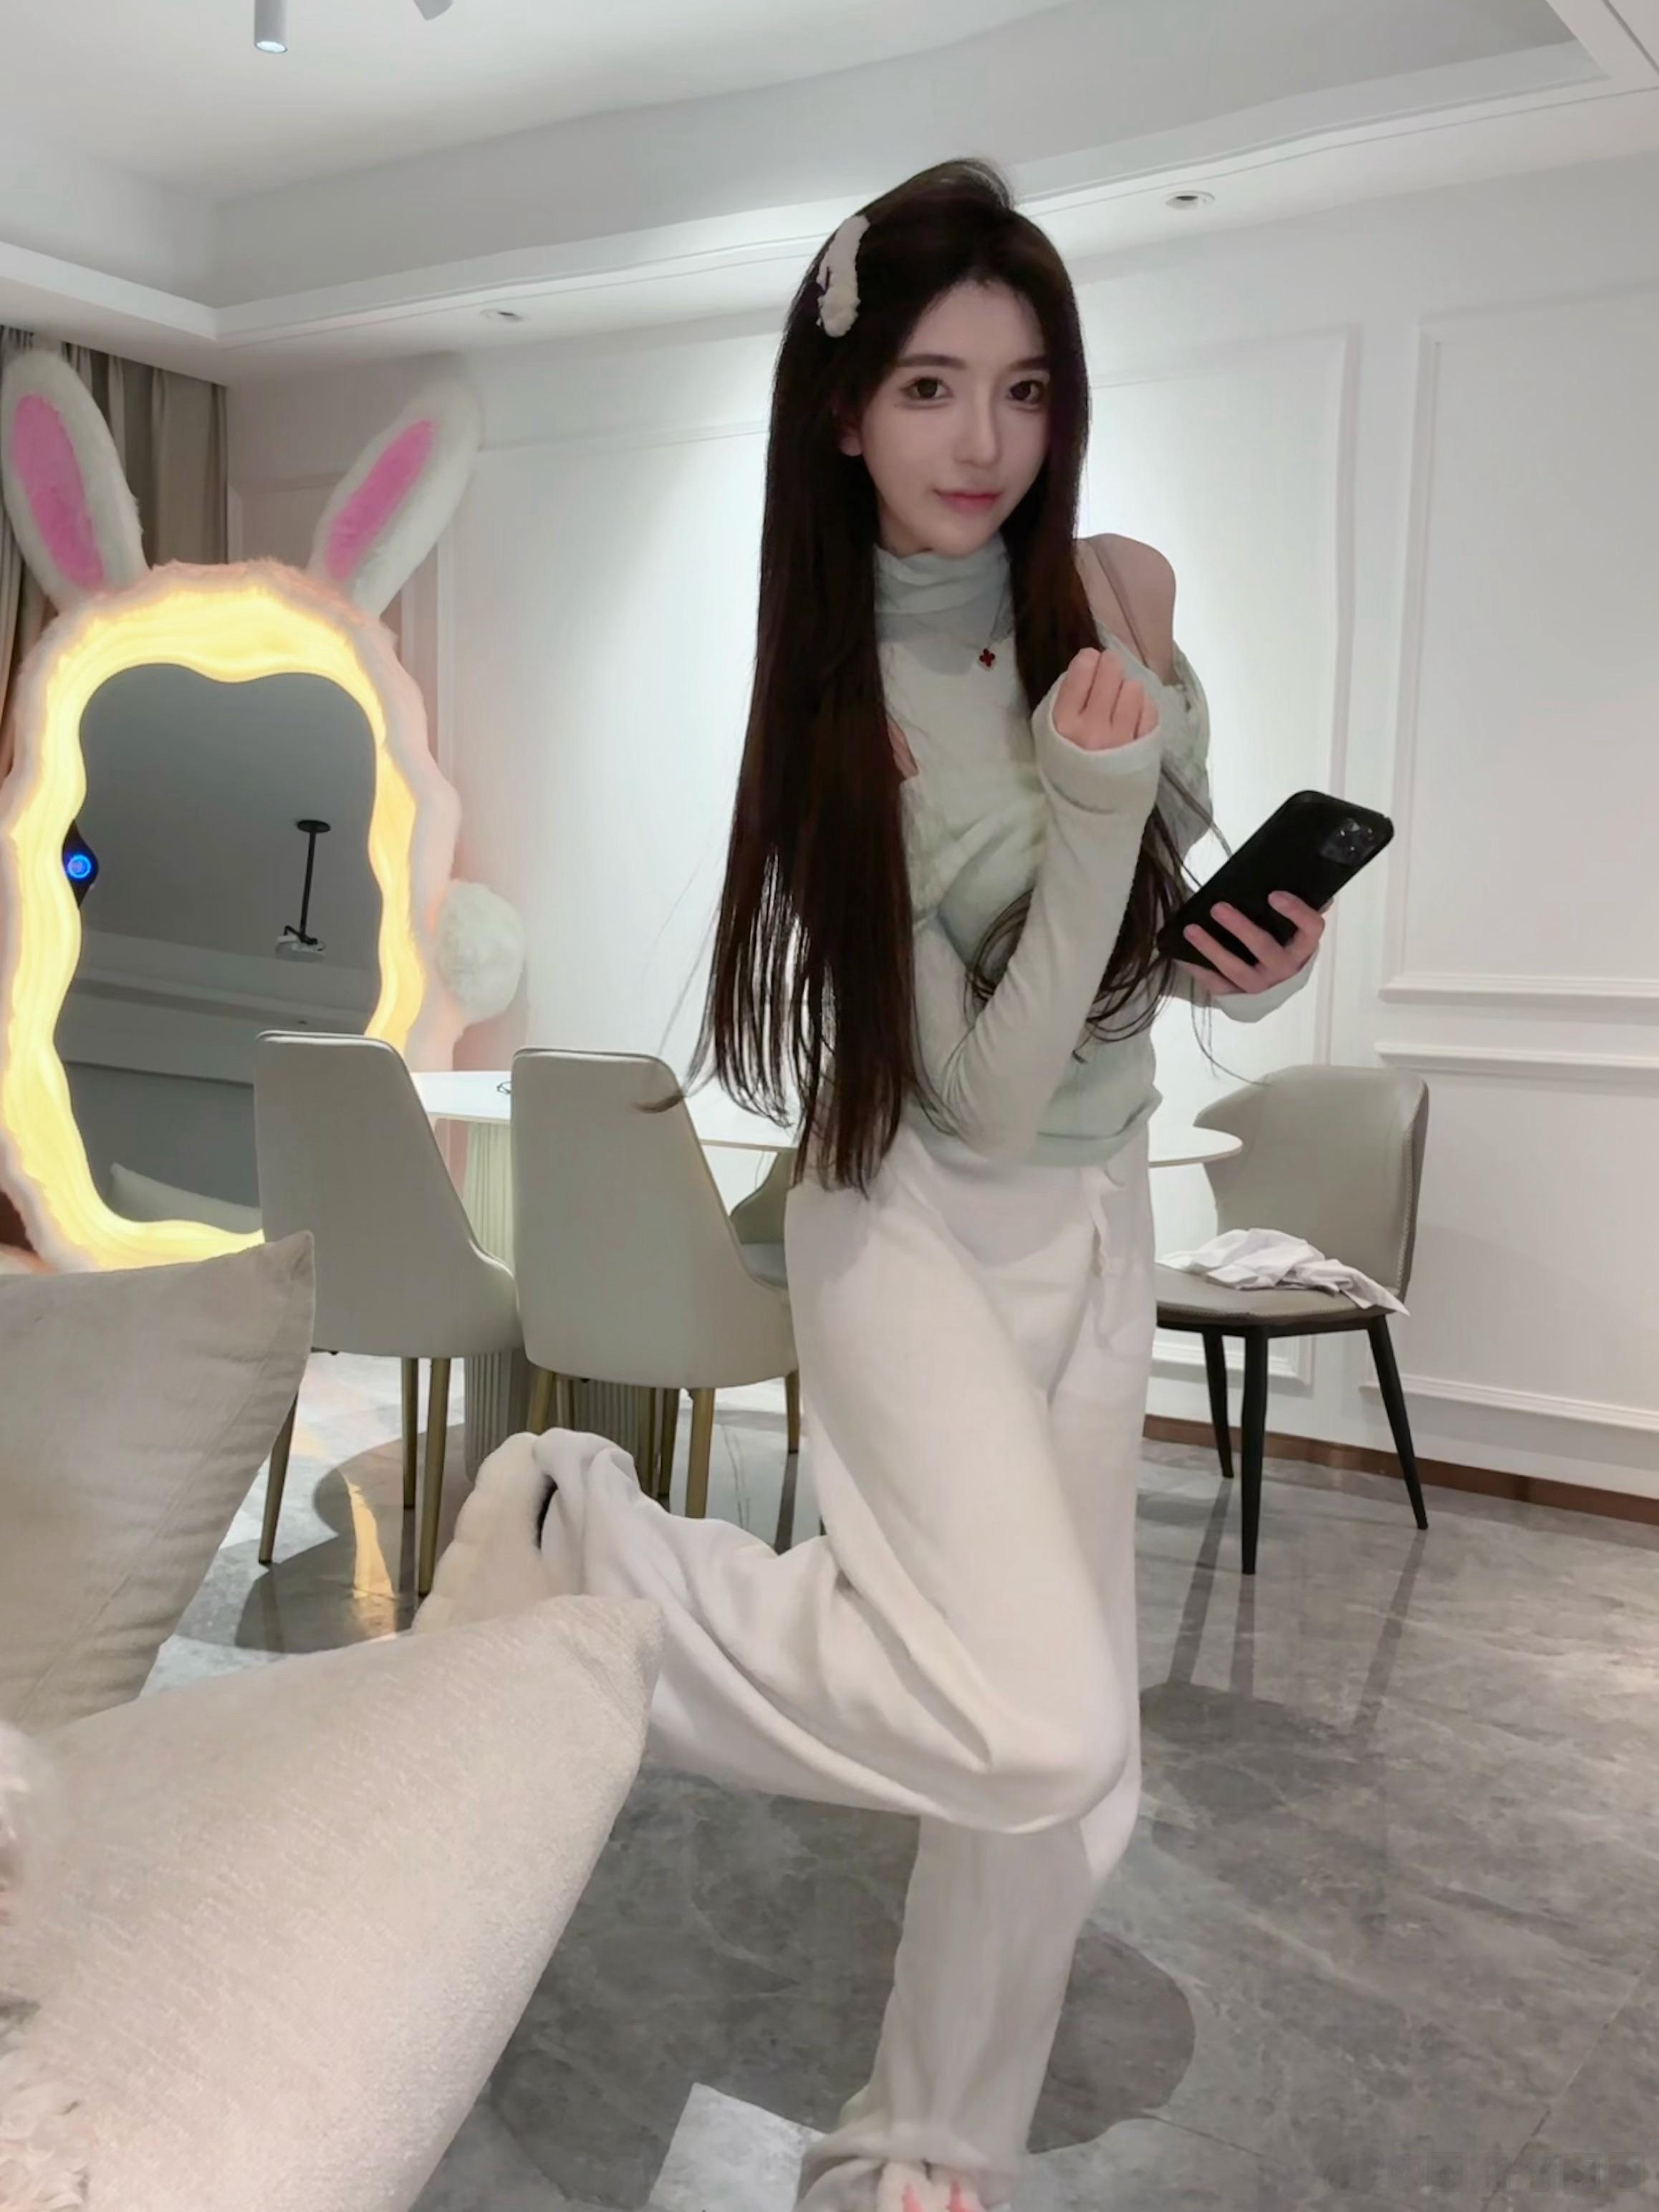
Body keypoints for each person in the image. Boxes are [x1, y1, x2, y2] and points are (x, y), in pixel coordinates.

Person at [423, 158, 1322, 2212]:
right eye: (928, 388)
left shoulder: (1116, 598)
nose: (982, 441)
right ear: (842, 414)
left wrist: (1250, 961)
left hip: (1099, 1226)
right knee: (1034, 1729)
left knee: (1064, 1798)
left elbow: (1142, 948)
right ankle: (588, 1549)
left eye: (1022, 388)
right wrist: (1093, 799)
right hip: (915, 1218)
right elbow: (986, 1097)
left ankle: (921, 2141)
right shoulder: (851, 710)